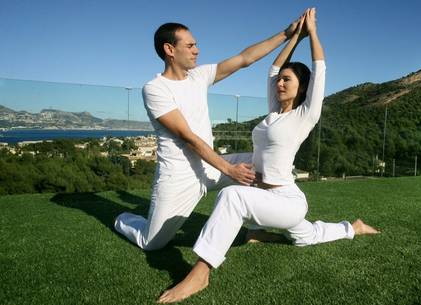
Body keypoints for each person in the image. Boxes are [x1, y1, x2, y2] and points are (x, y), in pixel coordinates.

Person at [157, 8, 379, 303]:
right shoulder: (273, 113)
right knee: (304, 237)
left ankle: (200, 273)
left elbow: (320, 68)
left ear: (302, 88)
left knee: (232, 197)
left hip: (286, 200)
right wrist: (293, 38)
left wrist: (312, 33)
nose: (280, 84)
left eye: (288, 81)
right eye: (280, 81)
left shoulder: (306, 115)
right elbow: (274, 68)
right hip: (266, 197)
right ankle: (353, 227)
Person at [113, 15, 305, 251]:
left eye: (196, 45)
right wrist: (229, 169)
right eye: (190, 45)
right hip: (179, 176)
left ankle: (256, 231)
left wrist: (287, 34)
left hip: (211, 166)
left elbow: (245, 58)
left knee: (262, 166)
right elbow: (188, 137)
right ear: (169, 49)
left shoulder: (198, 76)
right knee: (151, 243)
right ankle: (123, 219)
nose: (197, 50)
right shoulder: (154, 89)